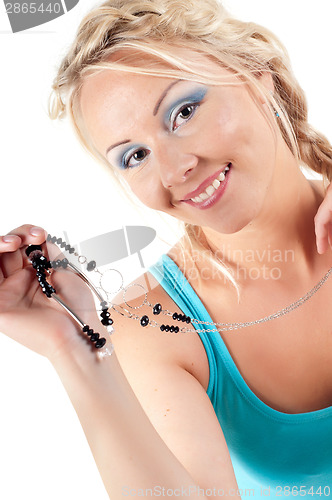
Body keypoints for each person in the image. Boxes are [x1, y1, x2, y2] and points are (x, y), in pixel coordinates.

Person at [0, 0, 332, 497]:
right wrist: (75, 351)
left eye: (183, 112)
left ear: (256, 74)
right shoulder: (155, 319)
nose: (174, 168)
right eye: (135, 156)